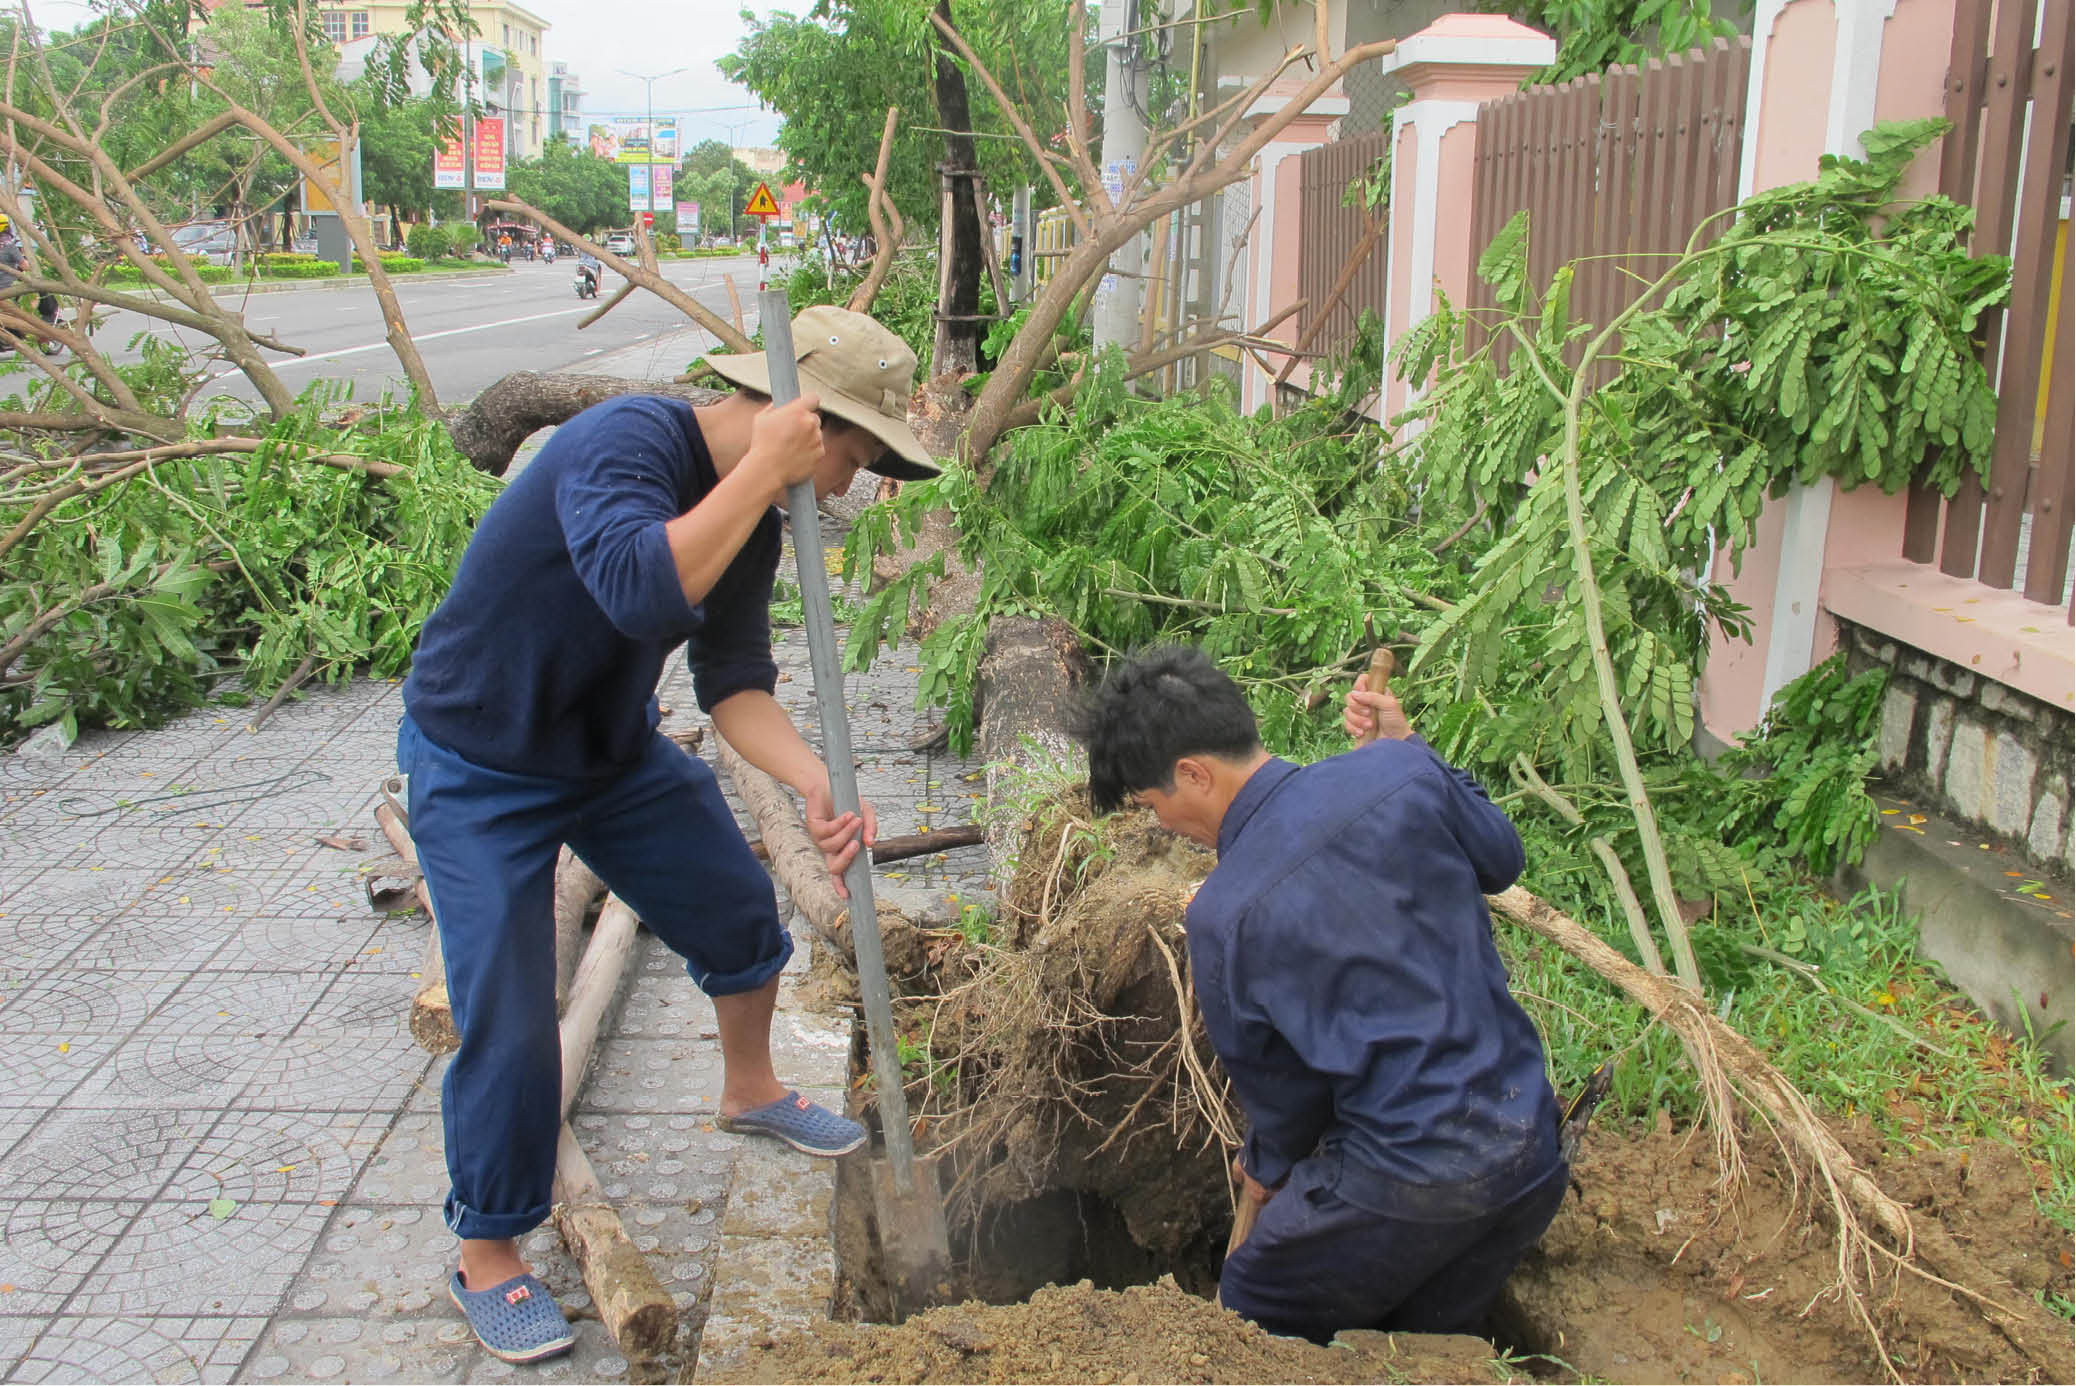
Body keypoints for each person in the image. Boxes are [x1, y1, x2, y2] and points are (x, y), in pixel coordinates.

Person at [398, 305, 942, 1363]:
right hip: (481, 762)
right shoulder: (624, 443)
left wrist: (814, 779)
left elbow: (732, 683)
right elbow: (640, 588)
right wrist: (758, 477)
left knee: (735, 905)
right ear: (803, 422)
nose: (852, 484)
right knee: (509, 1014)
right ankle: (488, 1253)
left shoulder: (756, 518)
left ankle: (750, 1089)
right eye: (857, 454)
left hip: (606, 753)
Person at [1073, 646, 1566, 1344]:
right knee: (1429, 1335)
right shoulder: (1403, 769)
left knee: (1253, 1305)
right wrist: (1405, 744)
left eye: (1154, 804)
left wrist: (1266, 1167)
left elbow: (1288, 1102)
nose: (1159, 823)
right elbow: (1502, 857)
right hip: (1530, 1150)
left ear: (1193, 774)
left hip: (1415, 1179)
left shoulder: (1225, 915)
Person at [0, 214, 61, 354]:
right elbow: (25, 266)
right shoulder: (9, 246)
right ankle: (47, 318)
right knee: (41, 288)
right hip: (10, 287)